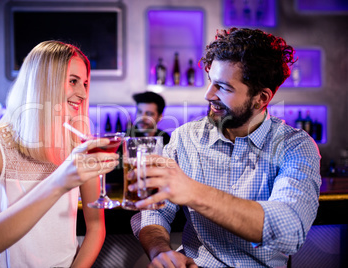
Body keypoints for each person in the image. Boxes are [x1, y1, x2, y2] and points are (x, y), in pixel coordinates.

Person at [130, 28, 321, 267]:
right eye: (211, 81)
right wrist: (160, 252)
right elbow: (153, 211)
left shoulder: (295, 146)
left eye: (223, 87)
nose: (208, 95)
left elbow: (289, 231)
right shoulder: (185, 138)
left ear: (261, 98)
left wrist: (192, 191)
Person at [0, 41, 119, 267]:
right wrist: (60, 181)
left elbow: (96, 227)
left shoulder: (78, 143)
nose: (83, 93)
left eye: (85, 83)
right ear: (43, 82)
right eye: (73, 81)